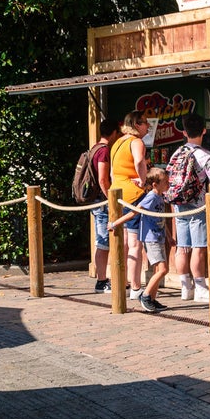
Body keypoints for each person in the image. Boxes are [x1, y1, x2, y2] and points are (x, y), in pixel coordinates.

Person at [168, 112, 210, 302]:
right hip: (198, 206)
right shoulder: (206, 156)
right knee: (199, 247)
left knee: (182, 247)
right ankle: (200, 288)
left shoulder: (177, 153)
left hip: (178, 206)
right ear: (204, 131)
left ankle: (186, 288)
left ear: (184, 132)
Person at [107, 167, 169, 313]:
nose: (168, 184)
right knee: (164, 269)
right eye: (165, 182)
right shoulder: (151, 197)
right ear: (155, 184)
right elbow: (134, 212)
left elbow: (162, 219)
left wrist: (170, 237)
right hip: (151, 238)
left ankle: (152, 299)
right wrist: (115, 223)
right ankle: (146, 296)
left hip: (159, 237)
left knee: (158, 269)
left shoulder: (160, 197)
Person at [109, 110, 151, 299]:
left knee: (122, 242)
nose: (148, 126)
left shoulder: (117, 142)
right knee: (135, 244)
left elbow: (112, 172)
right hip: (133, 195)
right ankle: (135, 287)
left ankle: (120, 281)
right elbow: (139, 161)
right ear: (136, 124)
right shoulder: (136, 142)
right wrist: (143, 181)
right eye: (145, 123)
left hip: (117, 194)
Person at [91, 118, 121, 293]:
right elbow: (103, 178)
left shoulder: (94, 147)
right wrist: (111, 197)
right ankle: (101, 281)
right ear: (113, 133)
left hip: (97, 201)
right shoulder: (103, 151)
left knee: (101, 241)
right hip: (102, 202)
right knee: (103, 242)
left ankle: (101, 279)